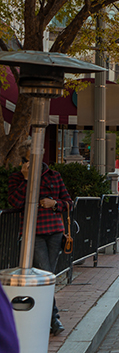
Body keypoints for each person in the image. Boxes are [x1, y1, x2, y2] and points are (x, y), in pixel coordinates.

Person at [7, 143, 74, 336]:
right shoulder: (17, 178)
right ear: (25, 159)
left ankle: (48, 320)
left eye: (38, 155)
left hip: (54, 230)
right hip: (32, 232)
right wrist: (28, 179)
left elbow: (69, 202)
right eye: (30, 158)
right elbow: (16, 201)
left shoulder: (54, 176)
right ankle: (53, 319)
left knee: (48, 275)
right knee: (45, 274)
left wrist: (54, 204)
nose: (35, 161)